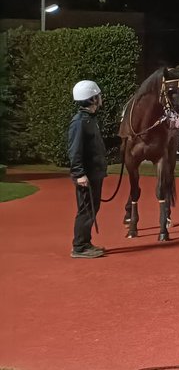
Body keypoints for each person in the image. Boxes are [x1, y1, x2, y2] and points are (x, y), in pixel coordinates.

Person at [68, 80, 108, 258]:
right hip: (87, 175)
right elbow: (74, 150)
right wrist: (79, 174)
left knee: (91, 208)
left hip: (94, 173)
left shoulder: (89, 119)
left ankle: (85, 242)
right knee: (86, 209)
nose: (101, 98)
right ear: (92, 99)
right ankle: (79, 247)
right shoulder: (79, 122)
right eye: (98, 95)